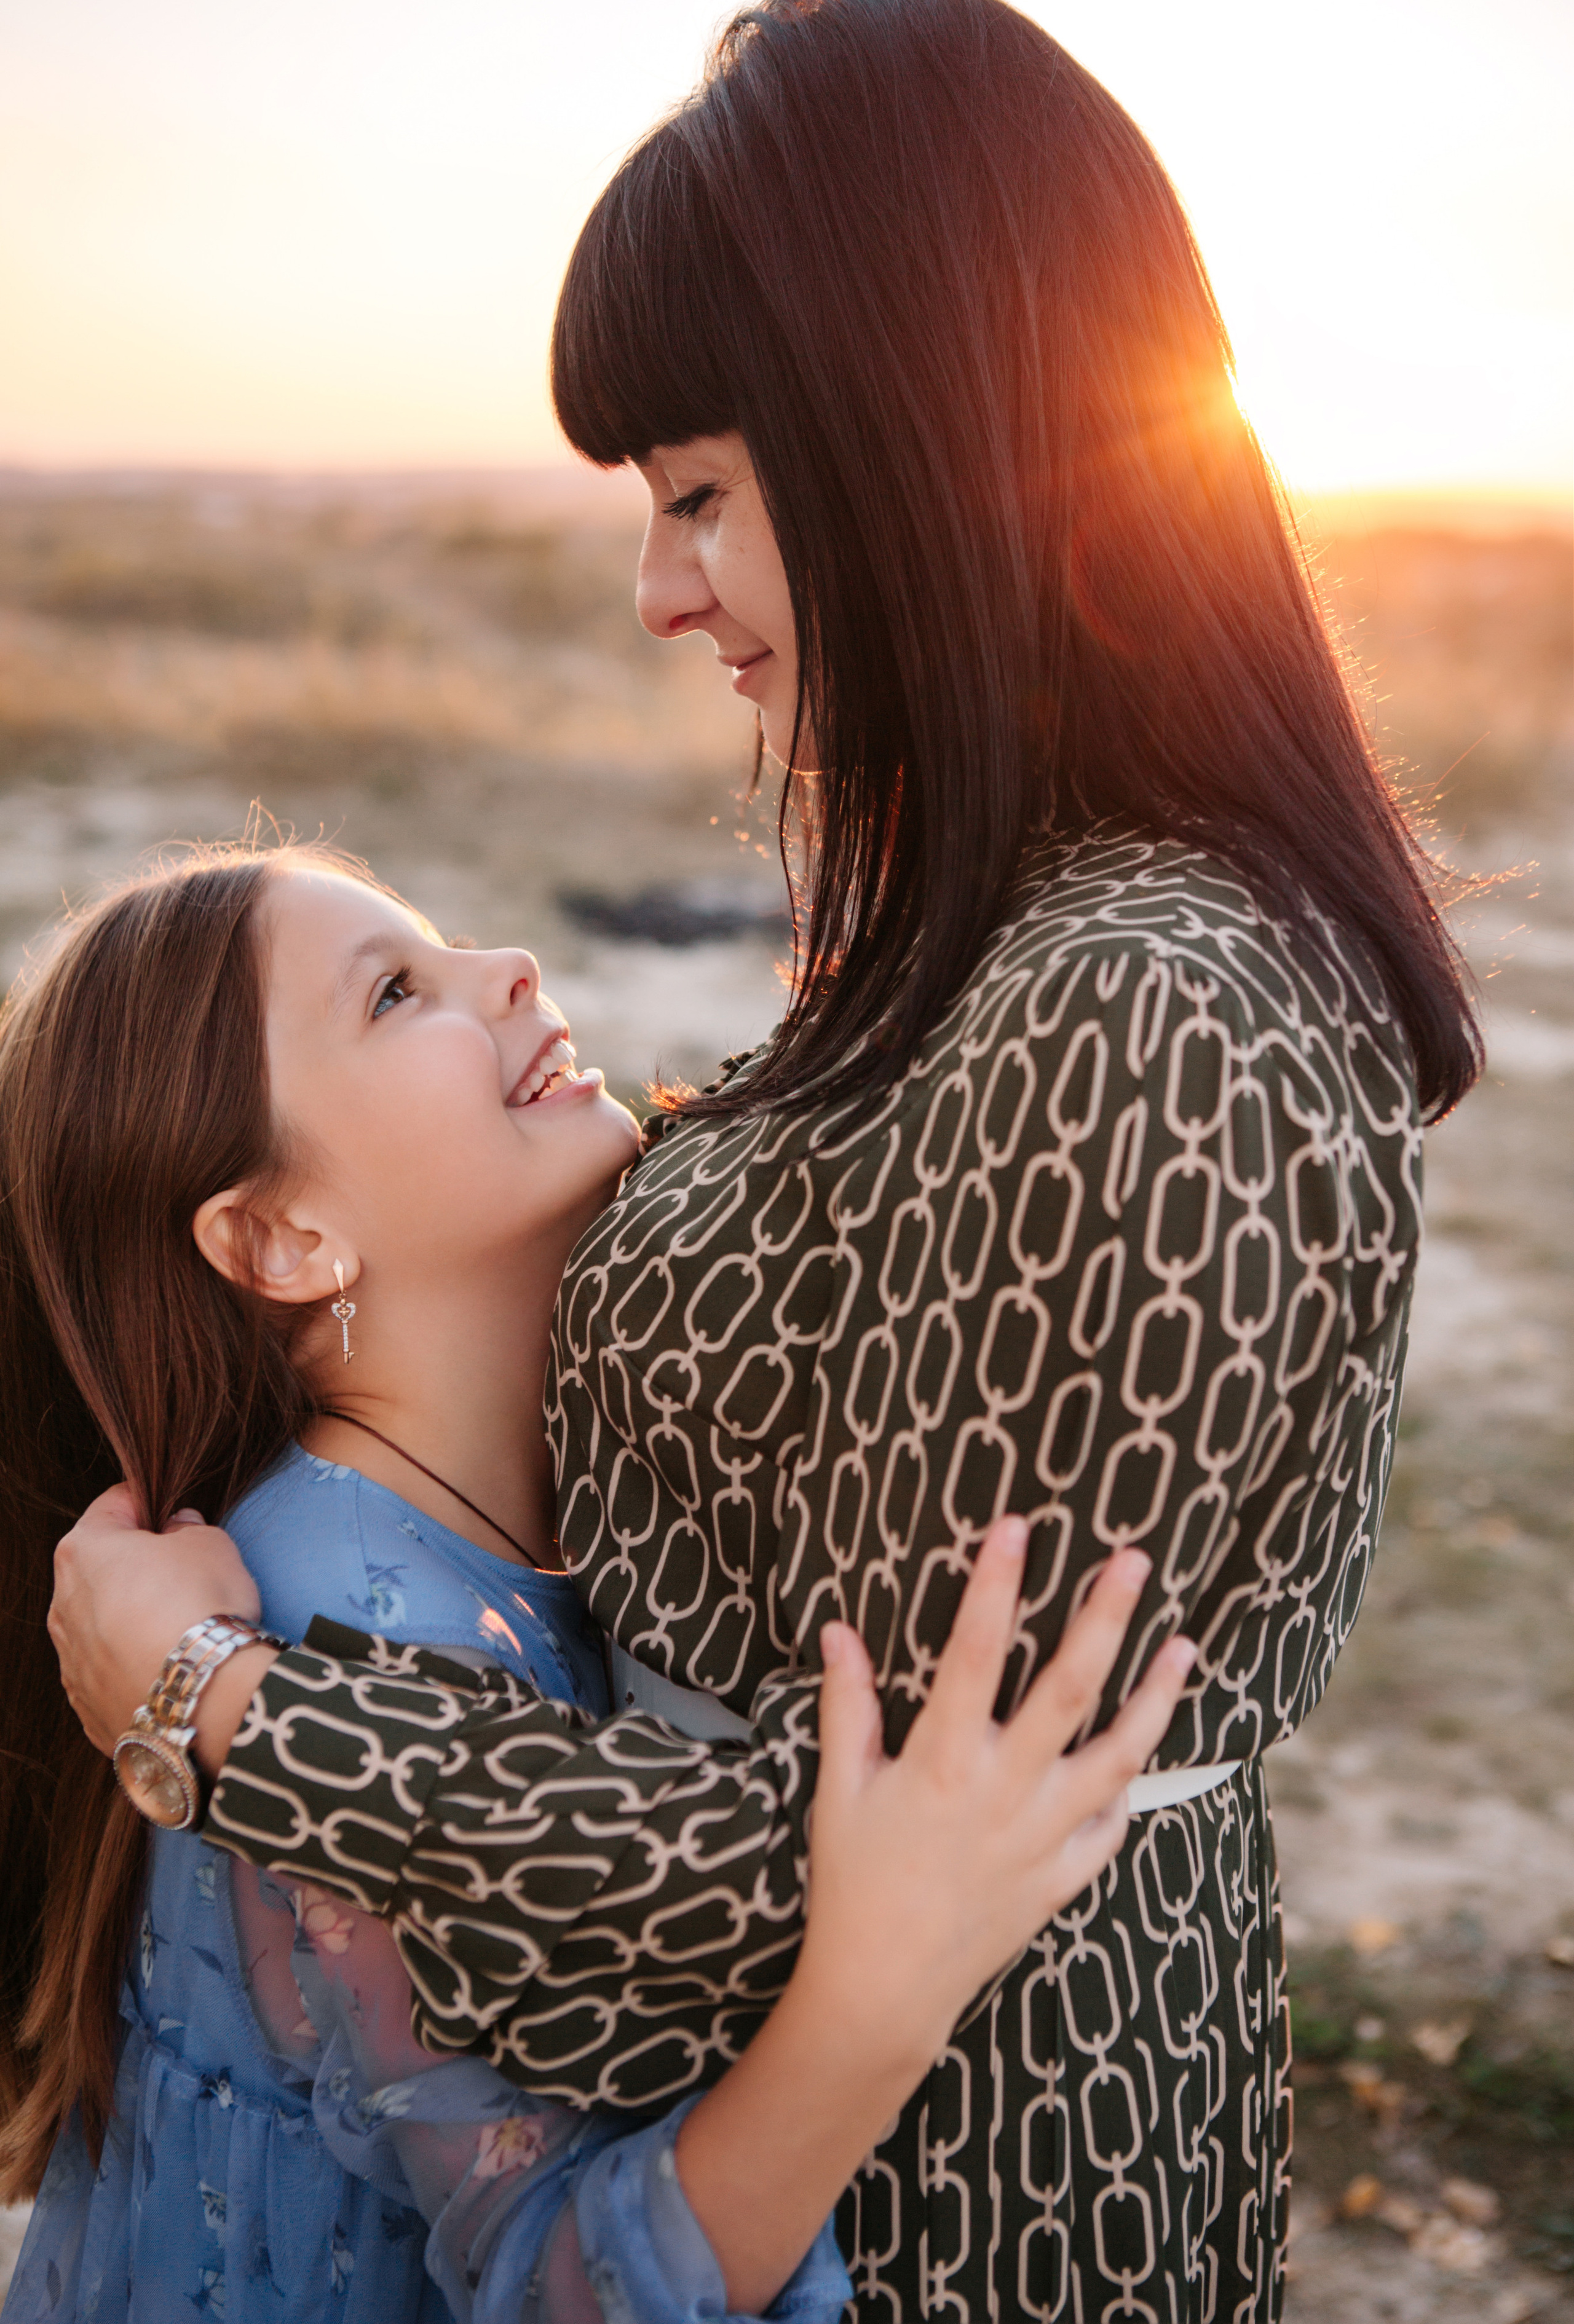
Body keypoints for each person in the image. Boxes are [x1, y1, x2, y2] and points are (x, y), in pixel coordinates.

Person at [47, 0, 1482, 2319]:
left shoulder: (1156, 1006)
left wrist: (230, 1721)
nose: (659, 589)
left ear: (924, 433)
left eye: (701, 493)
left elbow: (862, 1883)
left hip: (944, 2192)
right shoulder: (1011, 913)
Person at [0, 842, 1192, 2322]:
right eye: (394, 993)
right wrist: (881, 1998)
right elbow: (564, 2285)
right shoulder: (340, 1632)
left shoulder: (540, 1504)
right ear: (282, 1238)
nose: (508, 964)